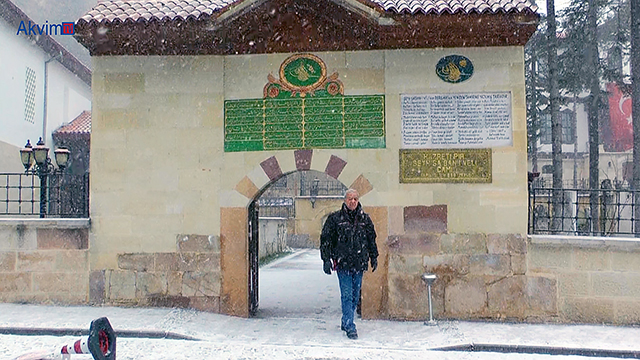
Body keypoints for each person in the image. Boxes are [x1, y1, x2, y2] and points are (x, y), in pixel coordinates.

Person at [320, 188, 378, 340]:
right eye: (350, 198)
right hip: (343, 263)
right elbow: (326, 239)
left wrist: (374, 256)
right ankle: (350, 325)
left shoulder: (365, 219)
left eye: (355, 199)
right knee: (346, 294)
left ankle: (346, 320)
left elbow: (371, 239)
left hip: (359, 263)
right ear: (345, 200)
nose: (353, 201)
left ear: (358, 201)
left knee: (354, 295)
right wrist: (326, 259)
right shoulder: (335, 219)